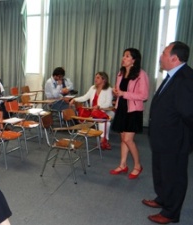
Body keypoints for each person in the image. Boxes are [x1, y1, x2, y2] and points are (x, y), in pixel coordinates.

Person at [142, 41, 193, 224]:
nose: (160, 57)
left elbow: (189, 114)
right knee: (161, 171)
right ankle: (162, 199)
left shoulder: (186, 79)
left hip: (175, 140)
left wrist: (186, 140)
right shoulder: (173, 75)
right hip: (162, 138)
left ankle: (171, 212)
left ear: (174, 58)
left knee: (174, 176)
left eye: (164, 53)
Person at [110, 48, 149, 179]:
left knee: (128, 139)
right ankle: (123, 165)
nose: (123, 58)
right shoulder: (120, 73)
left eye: (127, 56)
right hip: (121, 108)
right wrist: (116, 92)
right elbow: (119, 91)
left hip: (133, 110)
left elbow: (143, 95)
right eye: (123, 56)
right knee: (123, 139)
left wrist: (123, 93)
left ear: (134, 60)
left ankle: (138, 165)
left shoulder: (141, 74)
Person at [69, 72, 114, 150]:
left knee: (103, 121)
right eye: (95, 77)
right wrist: (74, 99)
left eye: (98, 77)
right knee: (101, 119)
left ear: (104, 80)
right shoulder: (93, 88)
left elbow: (108, 103)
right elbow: (85, 97)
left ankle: (103, 140)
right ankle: (104, 141)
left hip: (106, 111)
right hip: (94, 112)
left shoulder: (108, 89)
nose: (95, 79)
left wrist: (99, 107)